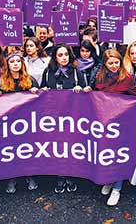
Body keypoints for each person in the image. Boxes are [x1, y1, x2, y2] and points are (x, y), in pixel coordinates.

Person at [39, 44, 90, 194]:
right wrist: (43, 90)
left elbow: (87, 92)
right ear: (55, 57)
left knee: (70, 149)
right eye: (60, 55)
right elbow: (43, 89)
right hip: (53, 119)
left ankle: (71, 176)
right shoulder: (48, 72)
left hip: (71, 119)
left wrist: (82, 90)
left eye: (66, 55)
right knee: (57, 149)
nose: (63, 58)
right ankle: (59, 177)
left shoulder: (76, 72)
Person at [94, 49, 136, 206]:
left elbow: (132, 95)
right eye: (110, 63)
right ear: (105, 64)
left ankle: (117, 188)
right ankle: (109, 179)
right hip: (104, 120)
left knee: (118, 154)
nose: (114, 66)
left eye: (116, 62)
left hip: (121, 122)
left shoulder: (126, 78)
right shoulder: (99, 76)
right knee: (106, 152)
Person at [0, 52, 39, 194]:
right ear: (8, 65)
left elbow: (41, 100)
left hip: (26, 123)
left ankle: (29, 175)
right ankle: (11, 178)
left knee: (26, 151)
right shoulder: (1, 81)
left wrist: (36, 91)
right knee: (11, 152)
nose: (15, 64)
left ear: (22, 64)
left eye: (18, 61)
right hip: (9, 124)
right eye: (12, 61)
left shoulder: (30, 80)